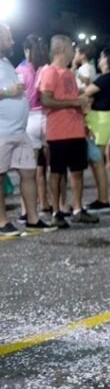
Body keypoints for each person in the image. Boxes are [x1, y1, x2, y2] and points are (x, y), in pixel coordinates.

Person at [0, 23, 55, 236]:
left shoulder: (5, 62)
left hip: (19, 132)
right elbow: (6, 91)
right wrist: (7, 90)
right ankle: (2, 222)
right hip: (2, 132)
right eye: (8, 37)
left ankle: (32, 219)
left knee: (29, 173)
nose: (13, 41)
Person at [39, 34, 97, 228]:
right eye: (72, 48)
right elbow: (45, 99)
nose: (74, 52)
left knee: (77, 171)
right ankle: (57, 212)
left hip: (76, 130)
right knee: (56, 173)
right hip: (58, 132)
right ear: (62, 49)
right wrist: (74, 102)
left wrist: (83, 120)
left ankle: (78, 209)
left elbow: (74, 99)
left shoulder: (70, 74)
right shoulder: (50, 72)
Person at [81, 48, 110, 214]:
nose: (99, 60)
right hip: (102, 119)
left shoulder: (105, 79)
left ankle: (103, 200)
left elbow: (85, 92)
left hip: (99, 120)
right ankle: (101, 198)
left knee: (97, 161)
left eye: (101, 57)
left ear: (108, 60)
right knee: (96, 162)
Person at [15, 34, 51, 222]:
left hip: (29, 120)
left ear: (27, 50)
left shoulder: (20, 69)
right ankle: (50, 205)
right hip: (47, 117)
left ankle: (25, 211)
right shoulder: (46, 69)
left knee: (29, 169)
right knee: (50, 168)